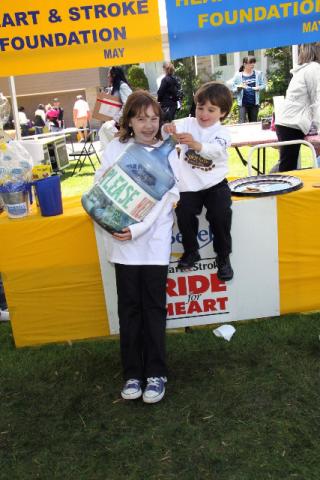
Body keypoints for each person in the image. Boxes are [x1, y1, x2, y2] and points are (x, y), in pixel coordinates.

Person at [94, 90, 179, 404]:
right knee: (129, 309)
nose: (148, 125)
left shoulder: (167, 150)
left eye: (154, 118)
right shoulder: (116, 147)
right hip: (122, 244)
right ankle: (132, 372)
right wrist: (116, 226)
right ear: (128, 119)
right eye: (141, 118)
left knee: (154, 308)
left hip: (153, 242)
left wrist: (138, 229)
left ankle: (156, 372)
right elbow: (101, 186)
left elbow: (168, 197)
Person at [163, 81, 234, 281]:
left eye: (211, 109)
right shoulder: (187, 123)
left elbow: (217, 151)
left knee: (220, 215)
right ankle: (191, 251)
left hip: (215, 185)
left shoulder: (222, 133)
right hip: (189, 186)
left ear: (223, 112)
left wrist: (196, 144)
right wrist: (167, 128)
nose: (203, 113)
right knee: (183, 213)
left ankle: (223, 256)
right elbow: (167, 130)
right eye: (200, 107)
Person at [275, 42, 320, 172]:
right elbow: (317, 101)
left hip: (287, 122)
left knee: (287, 165)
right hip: (292, 123)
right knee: (288, 167)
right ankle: (281, 190)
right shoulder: (314, 68)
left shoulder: (304, 69)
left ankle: (279, 187)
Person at [230, 56, 266, 123]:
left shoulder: (258, 74)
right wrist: (240, 86)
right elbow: (231, 86)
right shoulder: (238, 75)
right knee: (241, 122)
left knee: (253, 122)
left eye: (253, 62)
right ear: (244, 64)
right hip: (242, 104)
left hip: (254, 103)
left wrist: (258, 88)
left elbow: (263, 85)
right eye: (250, 63)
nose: (252, 64)